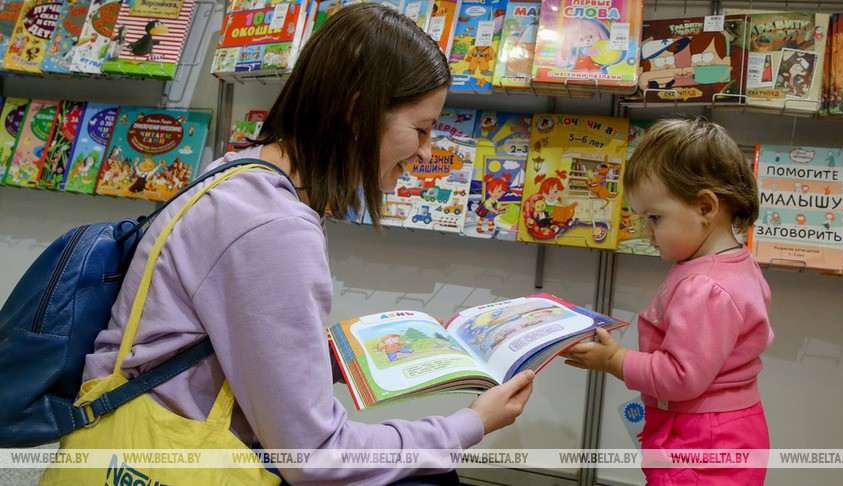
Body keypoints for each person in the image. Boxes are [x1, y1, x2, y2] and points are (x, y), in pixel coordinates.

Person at [77, 4, 534, 485]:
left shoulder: (241, 171)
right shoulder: (274, 225)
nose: (426, 152)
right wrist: (469, 424)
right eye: (420, 129)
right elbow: (316, 454)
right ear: (357, 113)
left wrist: (331, 354)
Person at [561, 118, 774, 485]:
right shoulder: (734, 263)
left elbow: (682, 376)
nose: (647, 233)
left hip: (702, 442)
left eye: (655, 218)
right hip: (725, 429)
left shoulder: (706, 287)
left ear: (706, 208)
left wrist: (615, 361)